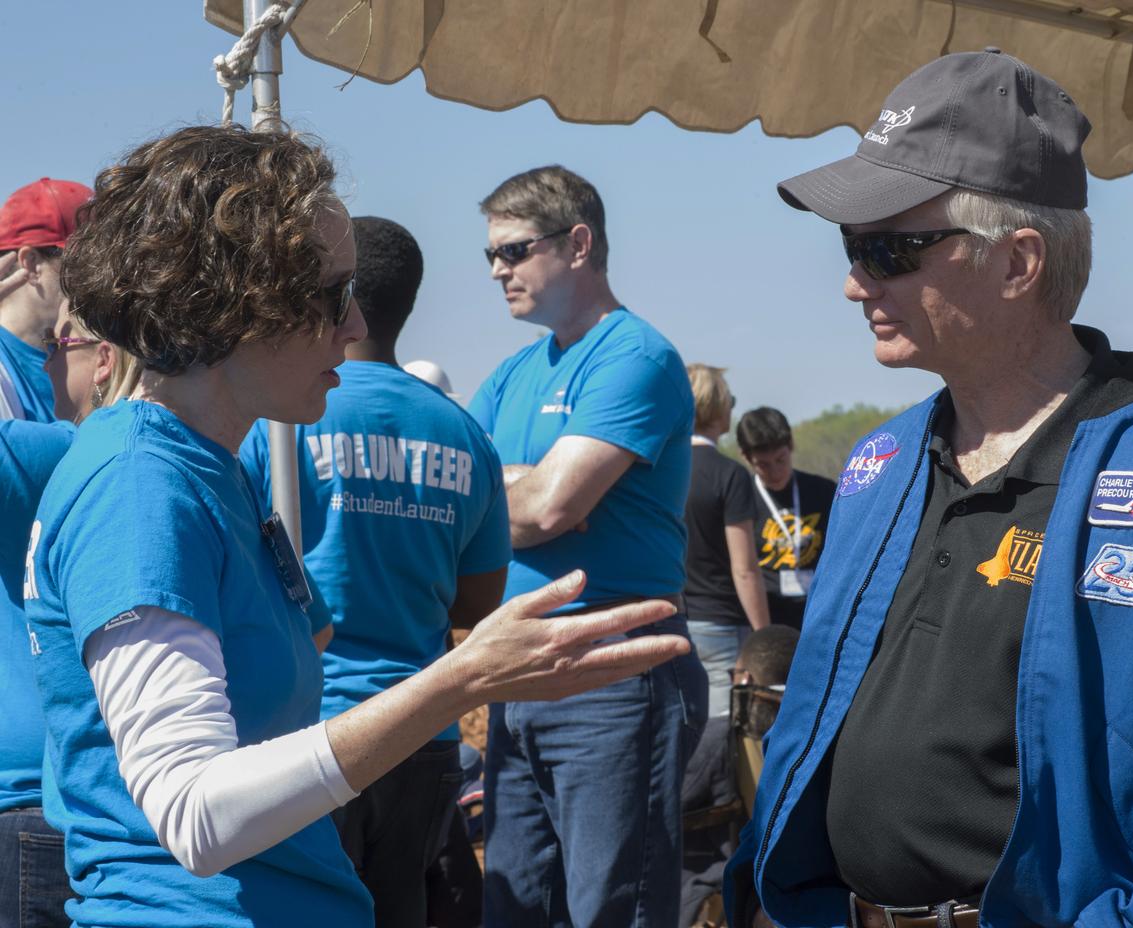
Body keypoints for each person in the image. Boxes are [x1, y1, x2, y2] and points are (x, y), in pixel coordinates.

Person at [23, 124, 690, 928]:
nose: (352, 326)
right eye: (330, 295)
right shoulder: (140, 484)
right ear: (232, 300)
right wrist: (463, 678)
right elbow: (195, 815)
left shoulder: (212, 468)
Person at [727, 49, 1133, 928]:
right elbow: (814, 719)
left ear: (1018, 263)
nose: (852, 282)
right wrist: (763, 884)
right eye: (850, 247)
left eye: (889, 248)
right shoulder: (878, 467)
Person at [239, 215, 509, 927]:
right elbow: (478, 606)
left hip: (309, 739)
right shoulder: (466, 437)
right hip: (422, 738)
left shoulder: (279, 420)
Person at [469, 164, 708, 927]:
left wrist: (519, 491)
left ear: (578, 243)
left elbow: (545, 509)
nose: (498, 269)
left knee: (611, 911)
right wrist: (524, 488)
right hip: (523, 670)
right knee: (514, 907)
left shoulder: (634, 355)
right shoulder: (512, 373)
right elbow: (462, 508)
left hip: (612, 670)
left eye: (513, 250)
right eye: (491, 256)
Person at [0, 303, 139, 928]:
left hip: (39, 796)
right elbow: (314, 625)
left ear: (104, 360)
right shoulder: (207, 456)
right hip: (143, 813)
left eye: (59, 346)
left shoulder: (49, 453)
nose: (46, 362)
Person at [681, 625, 798, 928]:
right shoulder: (815, 741)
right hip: (793, 896)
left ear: (743, 678)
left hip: (716, 896)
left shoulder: (711, 740)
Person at [683, 363, 769, 719]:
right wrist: (765, 637)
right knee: (718, 736)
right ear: (718, 408)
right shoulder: (730, 475)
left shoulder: (657, 470)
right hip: (719, 624)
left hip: (667, 619)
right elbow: (745, 569)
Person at [0, 178, 93, 422]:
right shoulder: (4, 368)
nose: (102, 275)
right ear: (31, 263)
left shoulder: (90, 349)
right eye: (85, 262)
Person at [735, 407, 836, 629]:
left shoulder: (825, 491)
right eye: (763, 464)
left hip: (817, 613)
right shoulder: (739, 498)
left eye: (781, 460)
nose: (775, 471)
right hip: (768, 615)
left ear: (790, 445)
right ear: (745, 456)